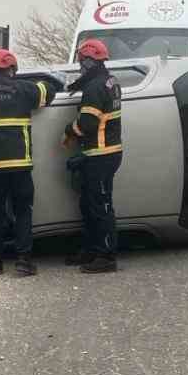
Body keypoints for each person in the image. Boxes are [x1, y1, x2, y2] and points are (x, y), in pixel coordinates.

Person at [0, 47, 58, 276]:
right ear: (12, 69)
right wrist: (41, 81)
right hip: (20, 166)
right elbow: (49, 91)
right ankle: (24, 261)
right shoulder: (24, 89)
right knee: (23, 212)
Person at [63, 38, 123, 273]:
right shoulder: (108, 81)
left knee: (100, 206)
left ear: (89, 61)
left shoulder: (95, 87)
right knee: (88, 203)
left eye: (81, 62)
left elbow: (87, 123)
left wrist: (69, 130)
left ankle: (106, 256)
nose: (80, 66)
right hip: (103, 153)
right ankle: (91, 249)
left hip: (101, 154)